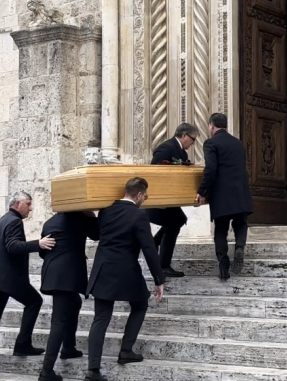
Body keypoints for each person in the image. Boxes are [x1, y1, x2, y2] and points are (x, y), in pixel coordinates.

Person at [85, 178, 165, 381]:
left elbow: (95, 234)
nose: (144, 200)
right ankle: (126, 350)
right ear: (138, 195)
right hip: (125, 270)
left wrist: (87, 214)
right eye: (144, 196)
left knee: (101, 318)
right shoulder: (139, 215)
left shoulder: (105, 211)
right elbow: (149, 248)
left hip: (102, 269)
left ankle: (93, 369)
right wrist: (158, 279)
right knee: (140, 305)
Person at [0, 191, 56, 378]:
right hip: (5, 278)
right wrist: (38, 243)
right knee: (34, 301)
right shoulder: (14, 221)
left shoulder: (2, 221)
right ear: (17, 204)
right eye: (28, 204)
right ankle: (22, 344)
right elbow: (12, 246)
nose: (31, 208)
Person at [37, 211, 100, 381]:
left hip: (53, 273)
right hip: (67, 275)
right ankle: (46, 370)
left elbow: (43, 252)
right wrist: (92, 215)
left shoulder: (50, 221)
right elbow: (97, 234)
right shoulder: (78, 218)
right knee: (58, 321)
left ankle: (69, 347)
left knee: (75, 302)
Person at [195, 113, 254, 281]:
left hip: (222, 193)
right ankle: (239, 247)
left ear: (212, 126)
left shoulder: (211, 143)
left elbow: (210, 169)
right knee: (240, 223)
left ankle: (223, 266)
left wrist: (202, 191)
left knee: (220, 230)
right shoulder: (238, 143)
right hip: (240, 191)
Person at [146, 123, 199, 279]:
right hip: (161, 199)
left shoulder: (181, 153)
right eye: (192, 139)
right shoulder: (166, 148)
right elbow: (155, 171)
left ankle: (156, 244)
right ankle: (163, 265)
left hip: (170, 199)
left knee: (178, 220)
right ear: (184, 136)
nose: (193, 143)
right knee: (175, 222)